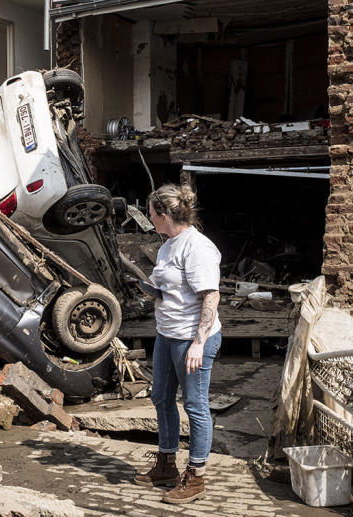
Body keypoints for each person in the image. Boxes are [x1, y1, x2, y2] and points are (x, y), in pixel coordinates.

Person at [133, 183, 222, 505]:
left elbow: (210, 296)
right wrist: (146, 288)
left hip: (191, 338)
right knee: (161, 397)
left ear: (165, 214)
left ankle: (196, 477)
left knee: (195, 405)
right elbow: (170, 290)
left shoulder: (196, 247)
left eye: (152, 213)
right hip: (167, 335)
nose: (150, 218)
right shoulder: (167, 245)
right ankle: (166, 464)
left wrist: (198, 344)